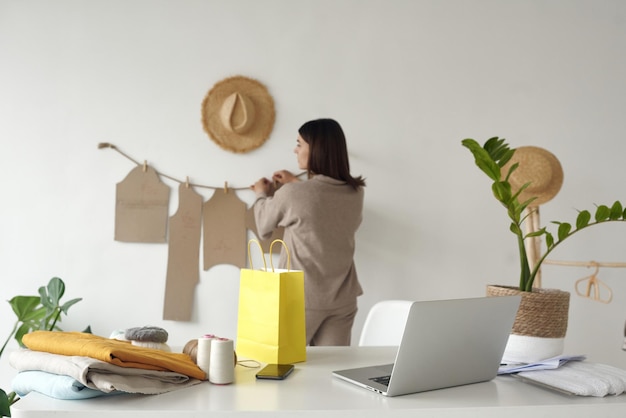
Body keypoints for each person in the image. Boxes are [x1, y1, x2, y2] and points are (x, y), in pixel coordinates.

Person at [251, 118, 366, 346]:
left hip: (300, 299)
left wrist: (261, 195)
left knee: (286, 370)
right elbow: (321, 205)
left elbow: (264, 227)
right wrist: (294, 182)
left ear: (316, 149)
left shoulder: (293, 193)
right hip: (343, 298)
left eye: (299, 143)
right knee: (331, 370)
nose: (295, 150)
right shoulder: (356, 192)